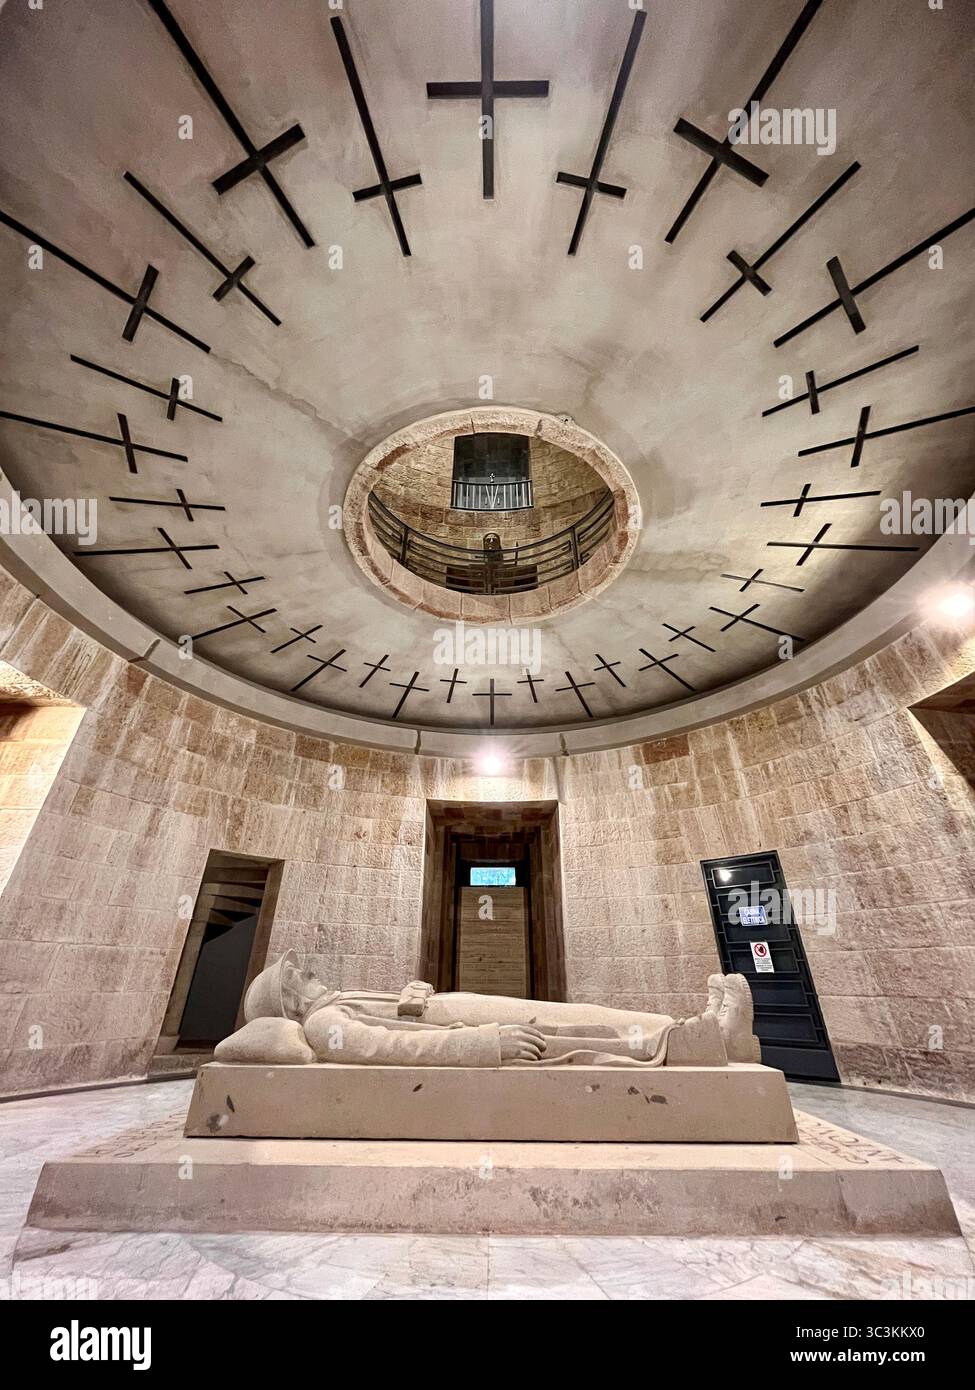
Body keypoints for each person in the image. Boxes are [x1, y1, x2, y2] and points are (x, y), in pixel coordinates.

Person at [214, 951, 761, 1069]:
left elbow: (398, 1019)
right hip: (472, 1026)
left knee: (576, 1011)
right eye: (298, 976)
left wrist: (415, 993)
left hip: (460, 1007)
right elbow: (393, 1048)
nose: (310, 971)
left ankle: (703, 1032)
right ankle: (703, 1037)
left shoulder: (339, 1000)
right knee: (580, 1024)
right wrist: (485, 1044)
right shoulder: (322, 1022)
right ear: (290, 1001)